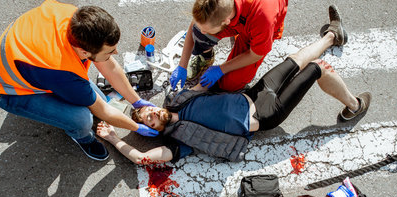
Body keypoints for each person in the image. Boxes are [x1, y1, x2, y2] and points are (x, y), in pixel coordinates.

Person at [97, 6, 371, 164]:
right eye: (152, 121)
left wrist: (189, 71)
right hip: (265, 114)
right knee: (316, 70)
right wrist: (112, 137)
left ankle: (333, 35)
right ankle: (354, 106)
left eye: (150, 111)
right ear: (153, 130)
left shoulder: (176, 101)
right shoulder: (178, 141)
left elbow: (202, 84)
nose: (154, 114)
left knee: (294, 60)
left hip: (252, 95)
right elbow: (141, 158)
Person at [0, 0, 158, 161]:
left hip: (25, 63)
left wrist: (136, 101)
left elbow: (109, 67)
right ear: (84, 52)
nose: (116, 54)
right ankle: (81, 137)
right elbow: (103, 110)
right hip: (6, 90)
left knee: (100, 100)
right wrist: (136, 127)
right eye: (110, 51)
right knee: (82, 119)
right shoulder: (62, 72)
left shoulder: (77, 20)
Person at [170, 0, 289, 92]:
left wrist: (221, 69)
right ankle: (206, 58)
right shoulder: (215, 6)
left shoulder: (263, 19)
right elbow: (197, 22)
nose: (203, 32)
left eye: (206, 29)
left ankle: (240, 39)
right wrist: (182, 65)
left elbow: (256, 54)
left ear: (227, 22)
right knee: (198, 34)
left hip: (255, 25)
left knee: (229, 84)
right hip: (239, 16)